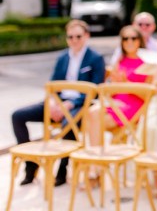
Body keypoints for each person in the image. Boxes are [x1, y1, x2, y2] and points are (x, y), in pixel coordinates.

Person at [11, 19, 105, 187]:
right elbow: (53, 84)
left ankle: (62, 170)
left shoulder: (95, 58)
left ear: (86, 36)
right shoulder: (62, 57)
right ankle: (30, 164)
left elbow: (96, 90)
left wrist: (69, 104)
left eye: (78, 36)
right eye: (70, 37)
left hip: (79, 104)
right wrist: (54, 102)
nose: (74, 40)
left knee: (68, 122)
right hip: (58, 102)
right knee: (18, 116)